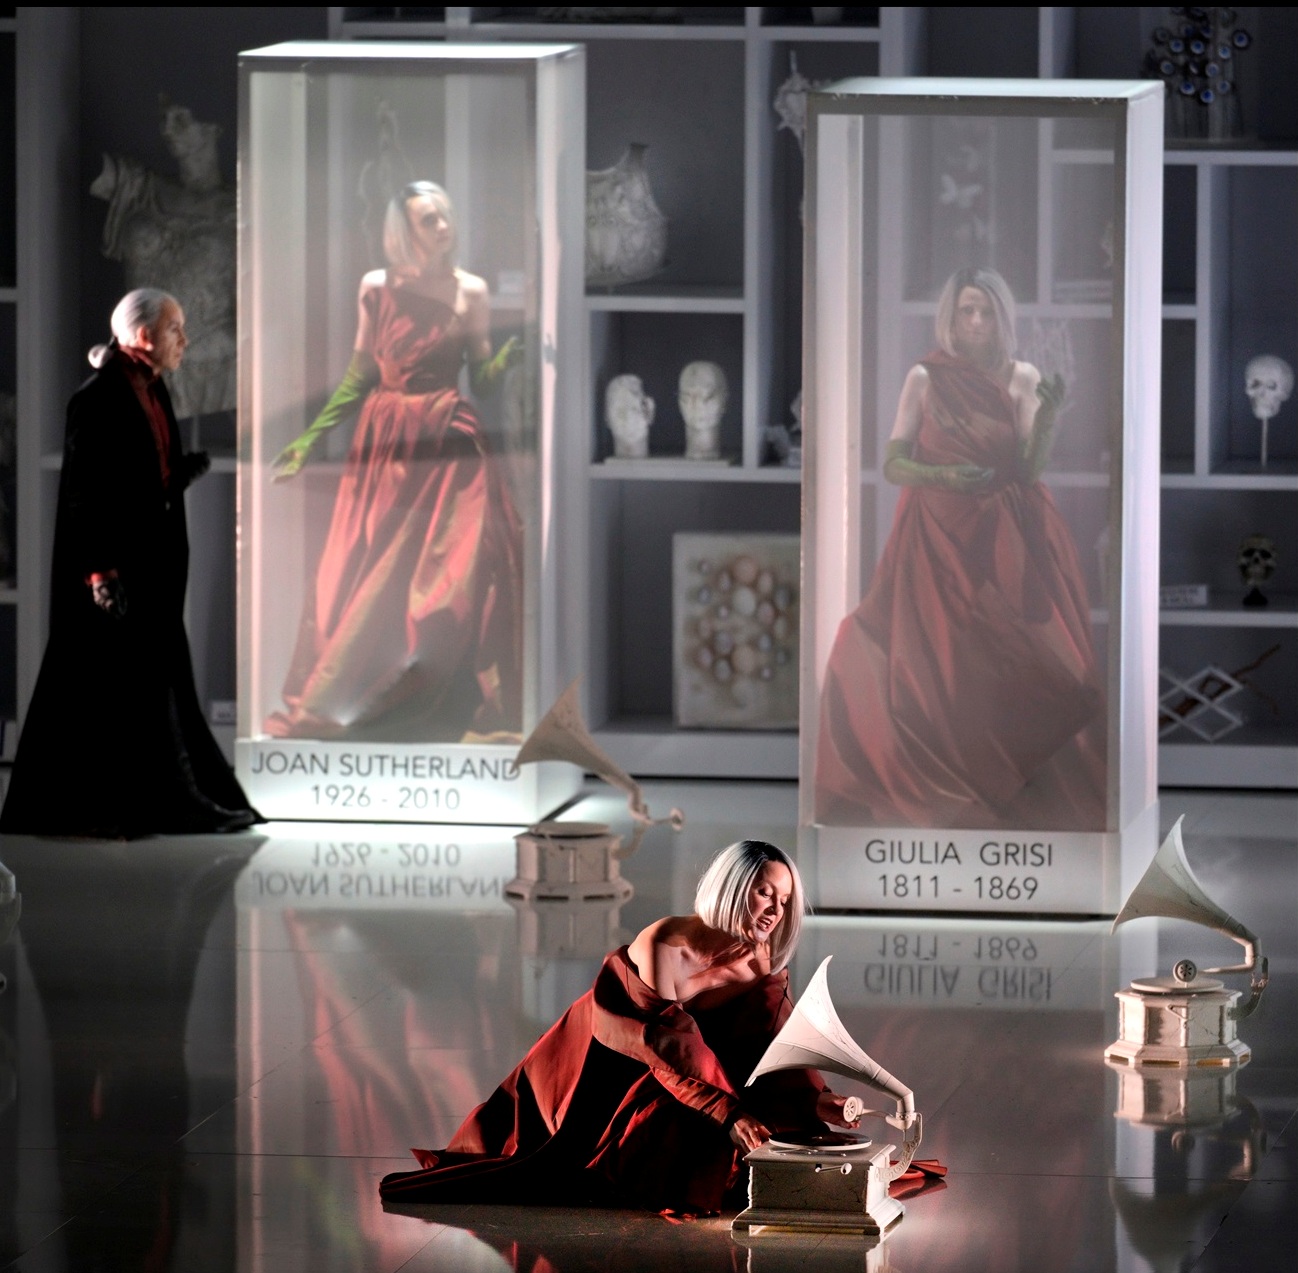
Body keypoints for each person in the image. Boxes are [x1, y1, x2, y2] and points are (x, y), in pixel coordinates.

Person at [379, 840, 861, 1215]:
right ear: (732, 889)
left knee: (758, 1133)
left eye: (785, 899)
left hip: (683, 1066)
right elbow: (663, 1048)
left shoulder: (758, 958)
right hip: (597, 1061)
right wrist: (729, 1114)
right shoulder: (665, 944)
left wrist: (816, 1099)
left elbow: (774, 1040)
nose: (775, 911)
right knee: (636, 1147)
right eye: (764, 893)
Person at [815, 266, 1106, 831]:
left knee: (1016, 660)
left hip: (1004, 534)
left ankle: (1009, 793)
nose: (975, 322)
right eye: (966, 311)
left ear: (1002, 317)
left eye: (986, 312)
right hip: (934, 534)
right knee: (926, 662)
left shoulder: (1022, 376)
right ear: (951, 316)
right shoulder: (925, 377)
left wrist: (1049, 419)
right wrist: (944, 477)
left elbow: (1029, 469)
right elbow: (893, 463)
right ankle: (937, 792)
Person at [266, 181, 522, 743]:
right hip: (384, 443)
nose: (443, 227)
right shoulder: (375, 287)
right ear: (403, 231)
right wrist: (309, 440)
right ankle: (360, 696)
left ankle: (439, 700)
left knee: (448, 579)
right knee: (362, 569)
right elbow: (359, 377)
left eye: (445, 216)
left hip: (449, 443)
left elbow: (481, 380)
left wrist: (504, 359)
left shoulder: (471, 291)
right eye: (429, 220)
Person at [0, 289, 259, 837]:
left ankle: (170, 801)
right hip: (119, 573)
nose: (184, 340)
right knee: (124, 687)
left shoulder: (153, 388)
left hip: (152, 566)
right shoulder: (97, 398)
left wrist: (175, 475)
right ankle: (169, 803)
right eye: (174, 329)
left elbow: (138, 474)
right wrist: (100, 574)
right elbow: (84, 493)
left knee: (153, 682)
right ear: (143, 335)